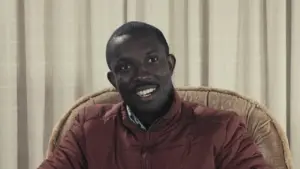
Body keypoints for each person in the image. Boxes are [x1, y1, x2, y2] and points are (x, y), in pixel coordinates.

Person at [38, 21, 272, 169]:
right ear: (114, 81)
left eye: (152, 60)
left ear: (170, 65)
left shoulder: (222, 127)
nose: (141, 75)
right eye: (125, 68)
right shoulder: (87, 126)